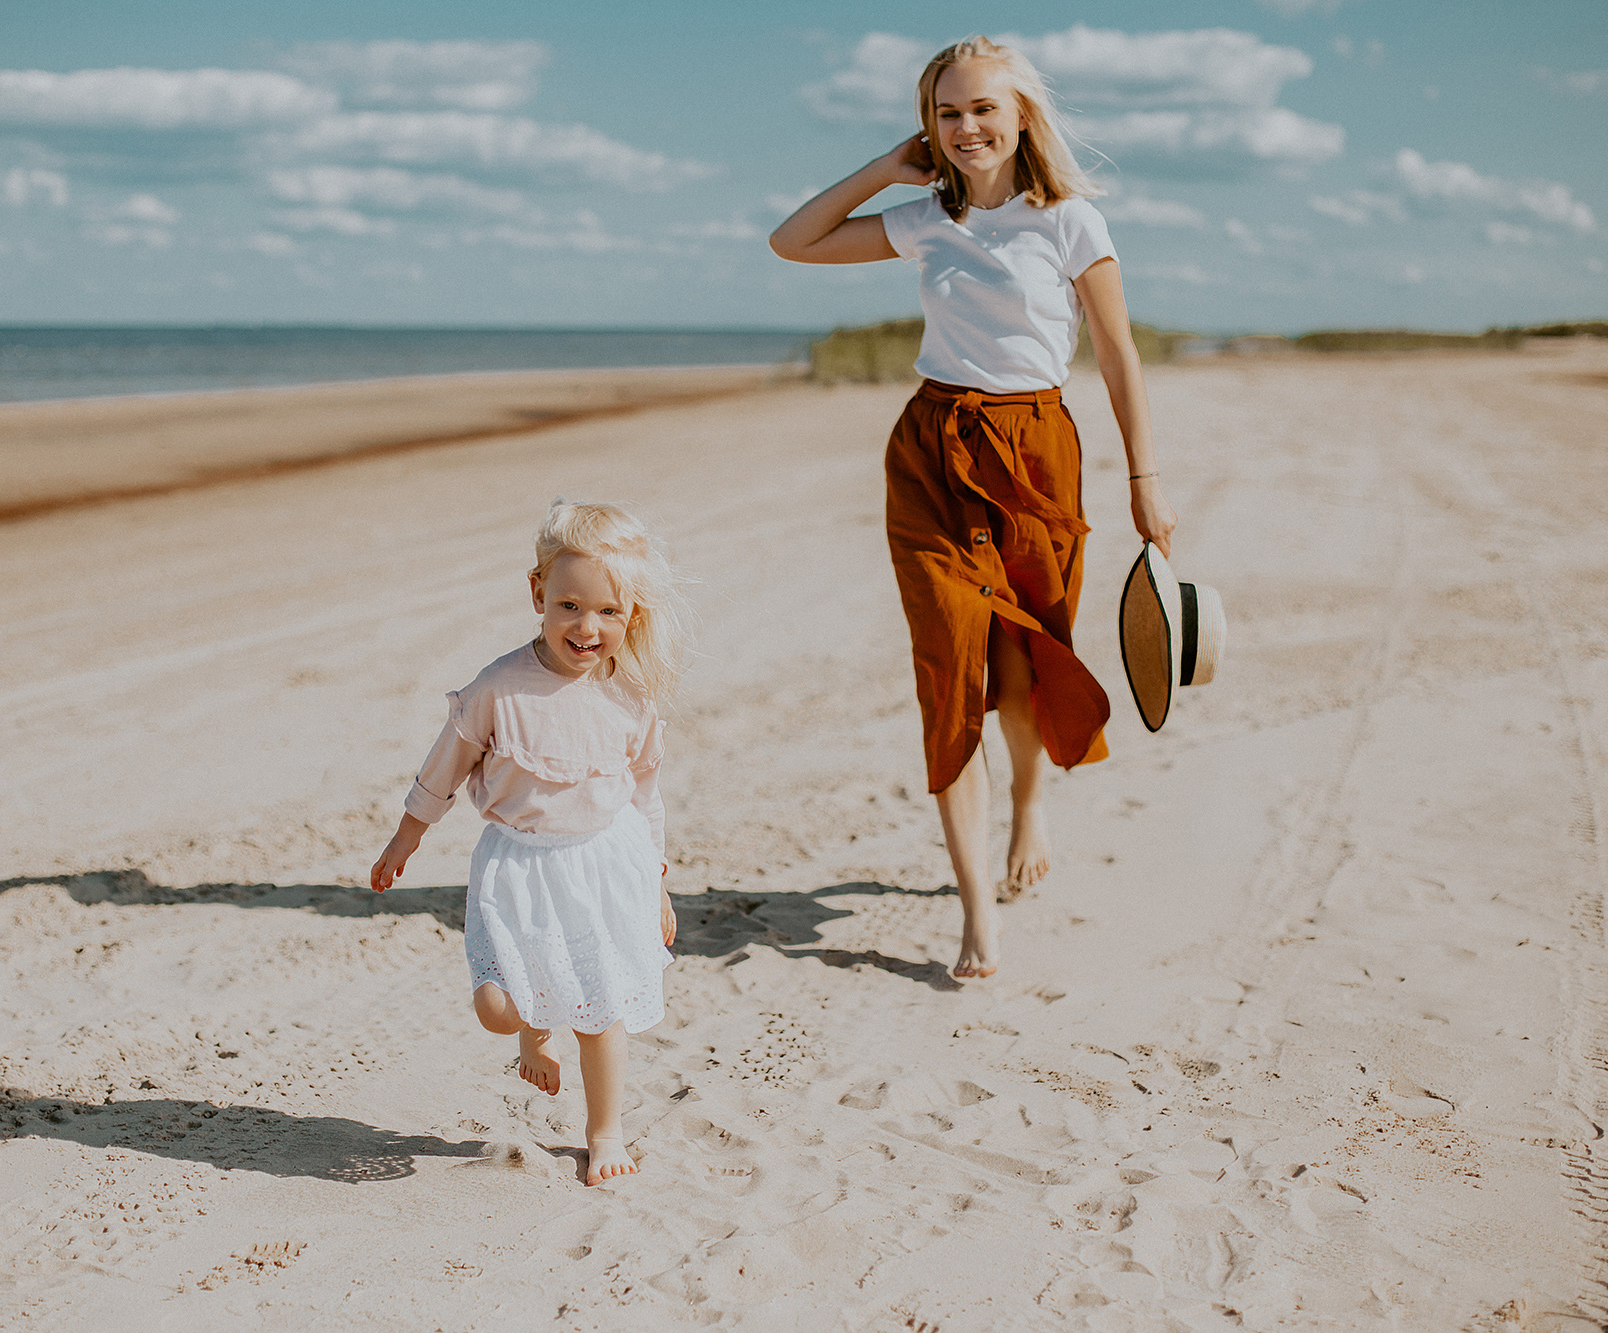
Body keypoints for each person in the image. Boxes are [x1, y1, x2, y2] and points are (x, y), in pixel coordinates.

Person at [770, 35, 1177, 980]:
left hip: (1036, 453)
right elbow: (792, 241)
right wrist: (883, 166)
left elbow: (1119, 356)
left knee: (1026, 660)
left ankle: (1031, 804)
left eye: (983, 108)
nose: (965, 128)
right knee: (951, 667)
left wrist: (1145, 479)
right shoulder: (923, 219)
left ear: (1022, 114)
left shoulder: (1071, 221)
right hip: (930, 456)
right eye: (946, 113)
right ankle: (976, 913)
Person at [370, 501, 689, 1186]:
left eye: (608, 611)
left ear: (631, 614)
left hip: (605, 863)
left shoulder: (632, 695)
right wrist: (405, 838)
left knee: (601, 1010)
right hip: (519, 867)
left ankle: (604, 1131)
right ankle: (530, 1032)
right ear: (538, 591)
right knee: (498, 1006)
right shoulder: (498, 687)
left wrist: (656, 883)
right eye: (570, 604)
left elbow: (645, 796)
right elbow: (442, 772)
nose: (587, 626)